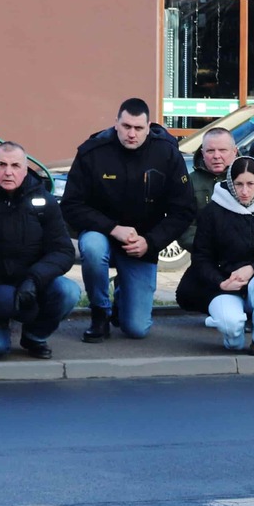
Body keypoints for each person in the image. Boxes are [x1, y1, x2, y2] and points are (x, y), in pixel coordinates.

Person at [61, 98, 193, 341]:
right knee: (92, 247)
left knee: (136, 329)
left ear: (149, 126)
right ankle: (99, 313)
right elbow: (71, 205)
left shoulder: (166, 153)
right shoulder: (93, 151)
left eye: (138, 128)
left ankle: (122, 296)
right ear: (116, 124)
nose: (132, 134)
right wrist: (112, 228)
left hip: (141, 245)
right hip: (101, 235)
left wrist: (150, 242)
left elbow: (183, 210)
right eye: (126, 126)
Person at [0, 142, 81, 361]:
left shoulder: (44, 202)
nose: (9, 172)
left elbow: (63, 250)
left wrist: (35, 279)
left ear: (25, 170)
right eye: (2, 165)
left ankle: (34, 336)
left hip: (31, 285)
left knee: (68, 291)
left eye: (16, 165)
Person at [189, 156, 254, 355]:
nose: (244, 191)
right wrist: (220, 282)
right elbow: (201, 258)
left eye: (250, 184)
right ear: (230, 183)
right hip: (224, 286)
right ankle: (233, 337)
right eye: (238, 184)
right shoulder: (213, 211)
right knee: (230, 327)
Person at [176, 128, 239, 260]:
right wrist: (209, 248)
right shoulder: (190, 182)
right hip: (206, 257)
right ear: (202, 153)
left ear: (234, 152)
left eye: (223, 150)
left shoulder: (253, 176)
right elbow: (183, 226)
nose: (216, 156)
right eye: (210, 151)